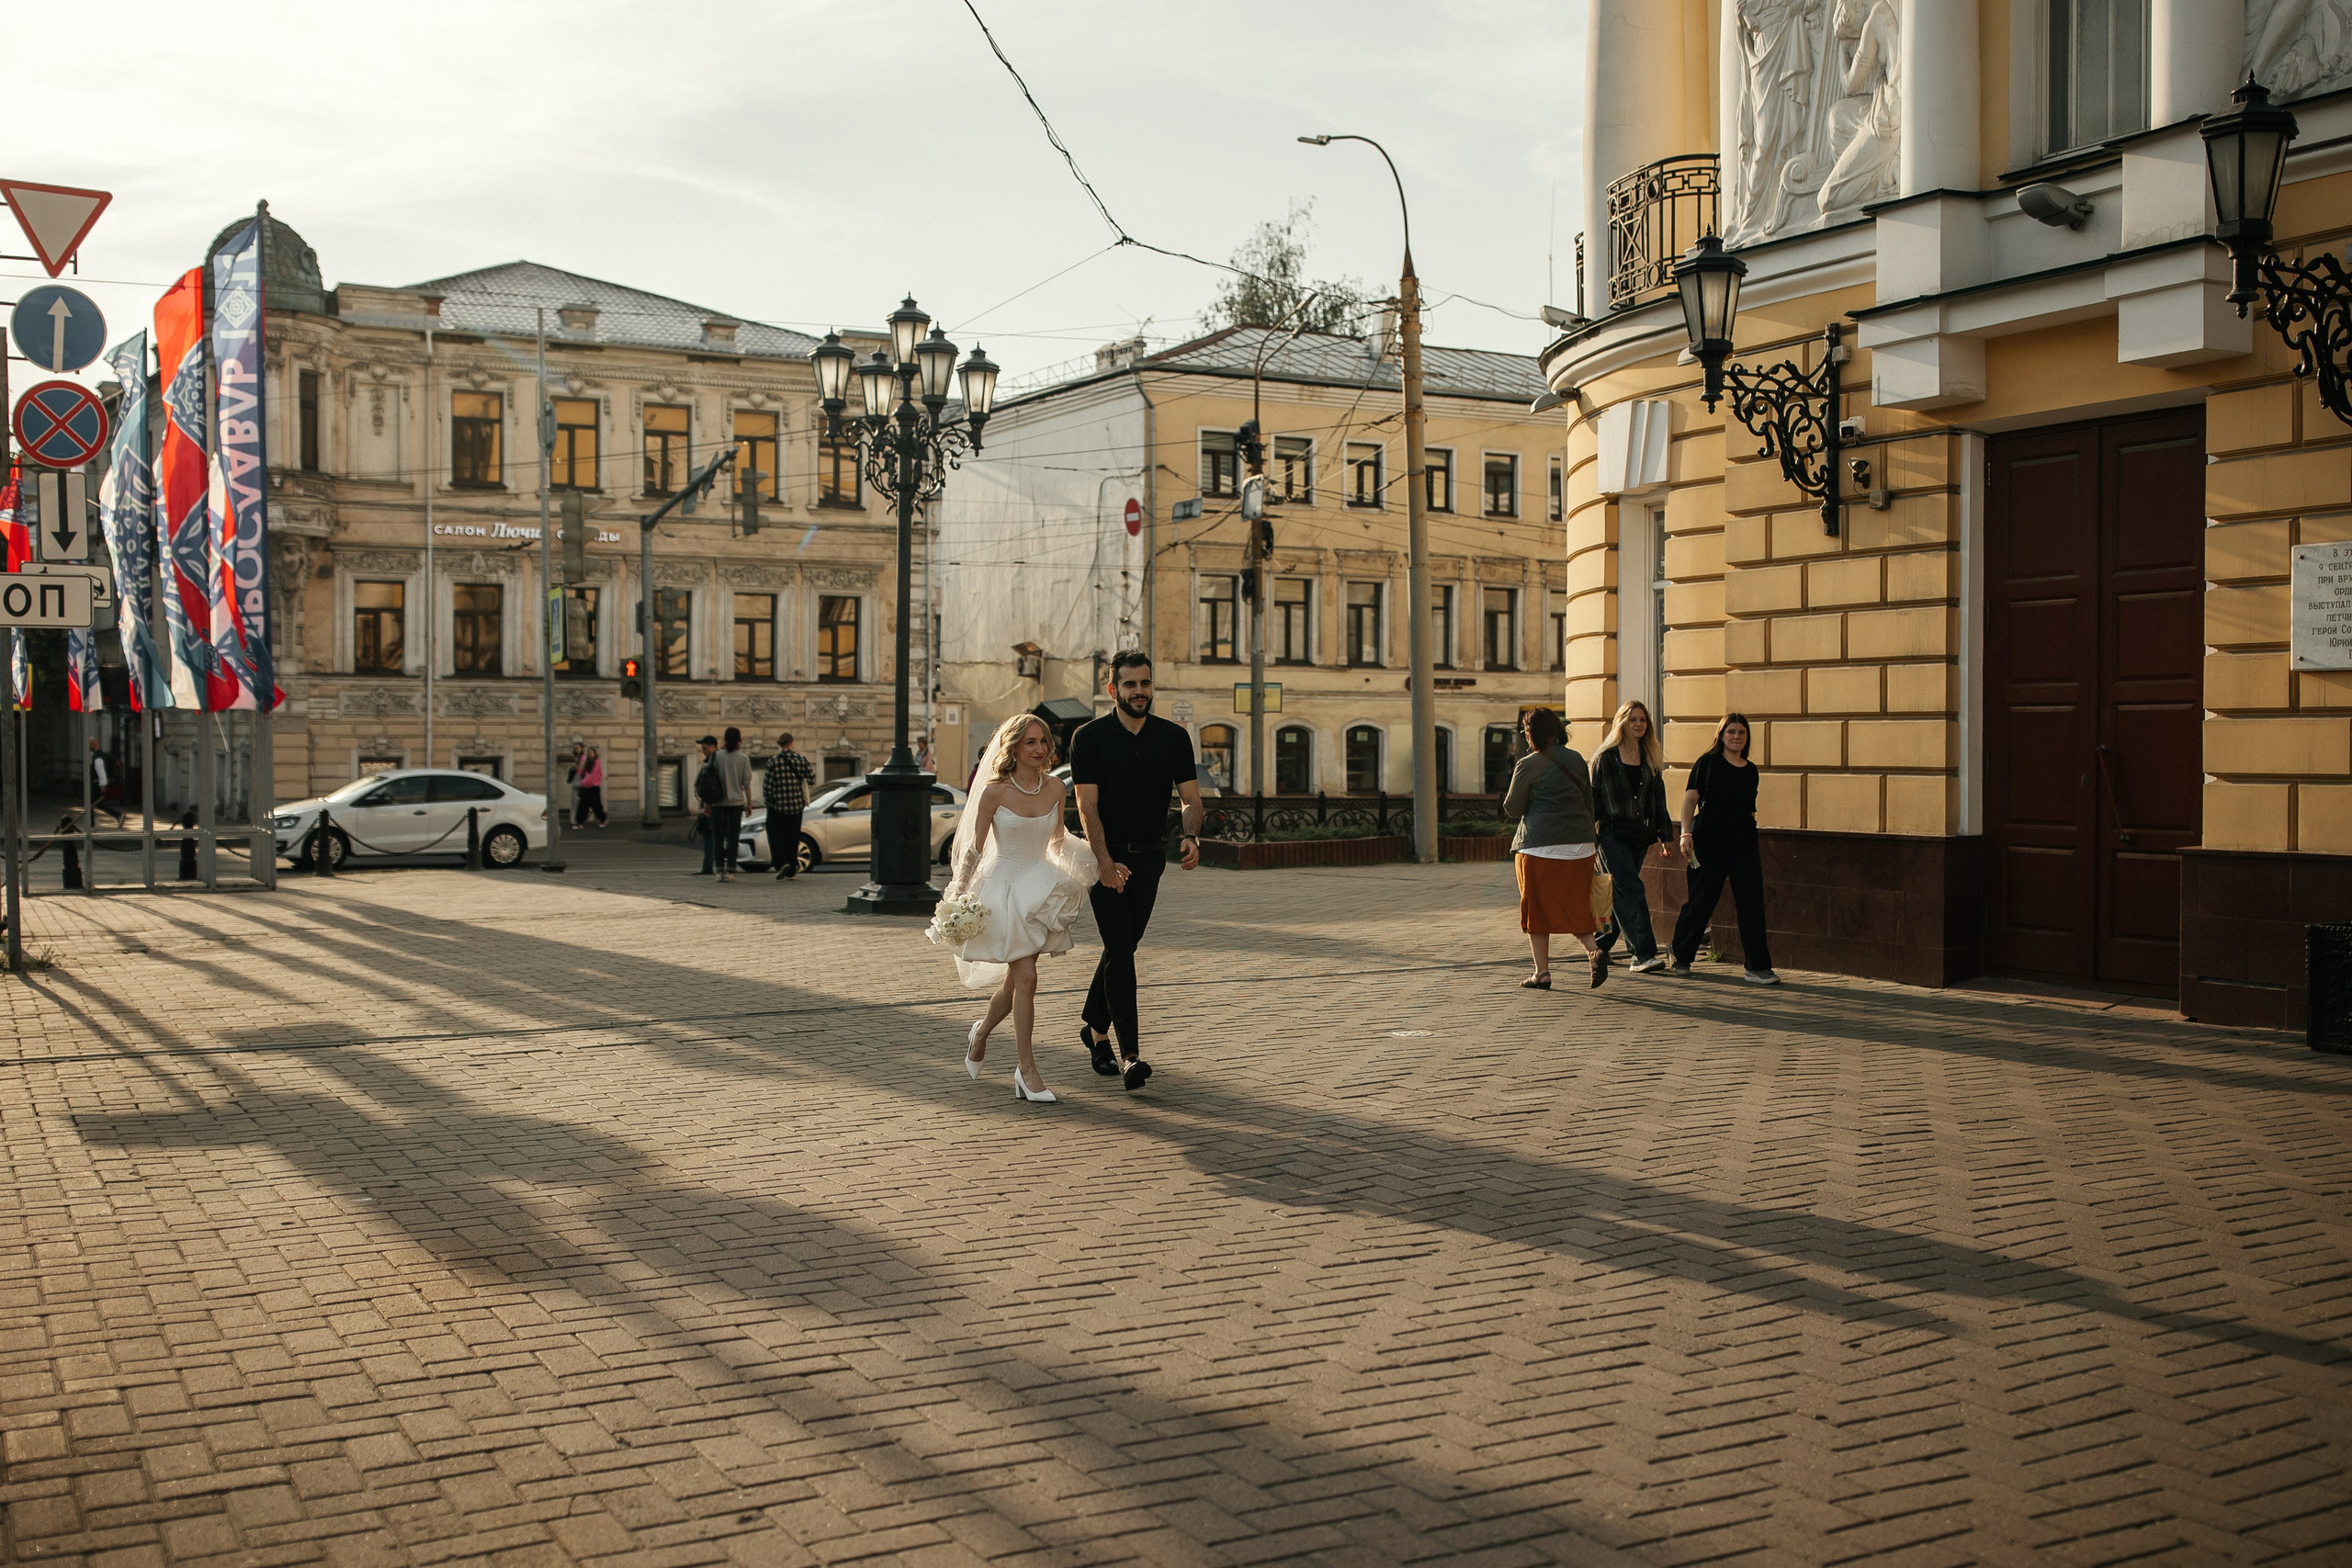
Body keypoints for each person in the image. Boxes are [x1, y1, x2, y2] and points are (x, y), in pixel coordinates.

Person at [935, 714, 1095, 1104]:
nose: (1039, 749)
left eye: (1042, 742)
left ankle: (982, 1032)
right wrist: (957, 892)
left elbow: (1058, 840)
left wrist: (1096, 863)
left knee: (1016, 982)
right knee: (1027, 978)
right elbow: (973, 850)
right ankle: (1026, 1070)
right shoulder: (993, 792)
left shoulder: (1057, 787)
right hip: (1003, 890)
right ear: (1013, 748)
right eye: (1030, 743)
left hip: (1039, 891)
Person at [1070, 651, 1202, 1090]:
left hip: (1150, 859)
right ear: (1113, 690)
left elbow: (1189, 798)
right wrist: (1104, 863)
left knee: (1122, 946)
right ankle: (1129, 1055)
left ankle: (1093, 1028)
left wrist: (1191, 835)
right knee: (1121, 949)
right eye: (1130, 685)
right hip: (1104, 857)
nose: (1139, 692)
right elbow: (1086, 807)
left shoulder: (1173, 738)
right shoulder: (1088, 738)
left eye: (1145, 684)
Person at [1502, 706, 1608, 989]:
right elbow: (1589, 803)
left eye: (1526, 732)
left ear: (1532, 733)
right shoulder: (1576, 759)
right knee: (1574, 906)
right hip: (1581, 846)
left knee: (1536, 909)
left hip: (1539, 847)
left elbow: (1512, 808)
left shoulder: (1528, 763)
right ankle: (1594, 951)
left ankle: (1541, 973)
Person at [1668, 712, 1779, 984]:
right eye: (1731, 732)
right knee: (1701, 902)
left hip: (1743, 845)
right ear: (1721, 735)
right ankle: (1680, 954)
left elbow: (1749, 809)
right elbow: (1690, 799)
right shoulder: (1707, 764)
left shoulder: (1750, 769)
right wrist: (1685, 833)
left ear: (1747, 737)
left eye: (1741, 733)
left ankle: (1757, 967)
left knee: (1752, 905)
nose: (1736, 737)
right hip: (1708, 842)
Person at [1590, 701, 1674, 974]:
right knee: (1632, 889)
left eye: (1643, 720)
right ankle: (1642, 954)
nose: (1638, 724)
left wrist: (1663, 833)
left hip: (1639, 834)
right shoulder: (1606, 757)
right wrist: (1591, 836)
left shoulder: (1649, 756)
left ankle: (1598, 948)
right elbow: (1593, 799)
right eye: (1632, 719)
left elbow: (1657, 798)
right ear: (1622, 723)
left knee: (1621, 894)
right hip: (1612, 833)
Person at [763, 732, 817, 880]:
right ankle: (792, 872)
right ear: (791, 743)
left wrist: (769, 801)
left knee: (776, 836)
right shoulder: (801, 759)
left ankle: (781, 863)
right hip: (796, 806)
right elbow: (812, 779)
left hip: (778, 807)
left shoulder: (773, 761)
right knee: (793, 838)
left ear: (779, 744)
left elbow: (767, 786)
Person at [701, 728, 752, 883]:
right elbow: (746, 785)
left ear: (724, 739)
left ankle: (719, 871)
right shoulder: (743, 758)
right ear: (739, 741)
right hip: (736, 804)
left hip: (717, 803)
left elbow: (708, 782)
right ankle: (730, 870)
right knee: (733, 837)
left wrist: (706, 804)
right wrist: (749, 804)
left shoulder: (715, 757)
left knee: (718, 836)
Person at [691, 736, 721, 876]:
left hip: (711, 804)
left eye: (705, 748)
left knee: (710, 836)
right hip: (710, 803)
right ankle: (711, 866)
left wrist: (707, 805)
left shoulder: (714, 762)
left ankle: (710, 867)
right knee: (710, 835)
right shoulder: (711, 762)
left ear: (714, 747)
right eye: (702, 748)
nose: (703, 751)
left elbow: (710, 786)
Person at [86, 738, 123, 828]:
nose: (89, 748)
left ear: (95, 745)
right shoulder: (98, 755)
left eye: (90, 746)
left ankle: (91, 824)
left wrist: (102, 784)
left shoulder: (98, 757)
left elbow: (101, 771)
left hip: (97, 783)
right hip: (97, 783)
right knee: (96, 804)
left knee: (91, 803)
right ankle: (117, 815)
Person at [572, 745, 607, 828]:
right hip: (586, 787)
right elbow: (582, 771)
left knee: (596, 805)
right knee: (582, 805)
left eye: (592, 752)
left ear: (595, 754)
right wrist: (578, 775)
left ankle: (603, 819)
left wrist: (582, 782)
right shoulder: (587, 762)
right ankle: (579, 822)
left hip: (594, 787)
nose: (590, 754)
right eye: (589, 753)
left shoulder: (597, 762)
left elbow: (593, 775)